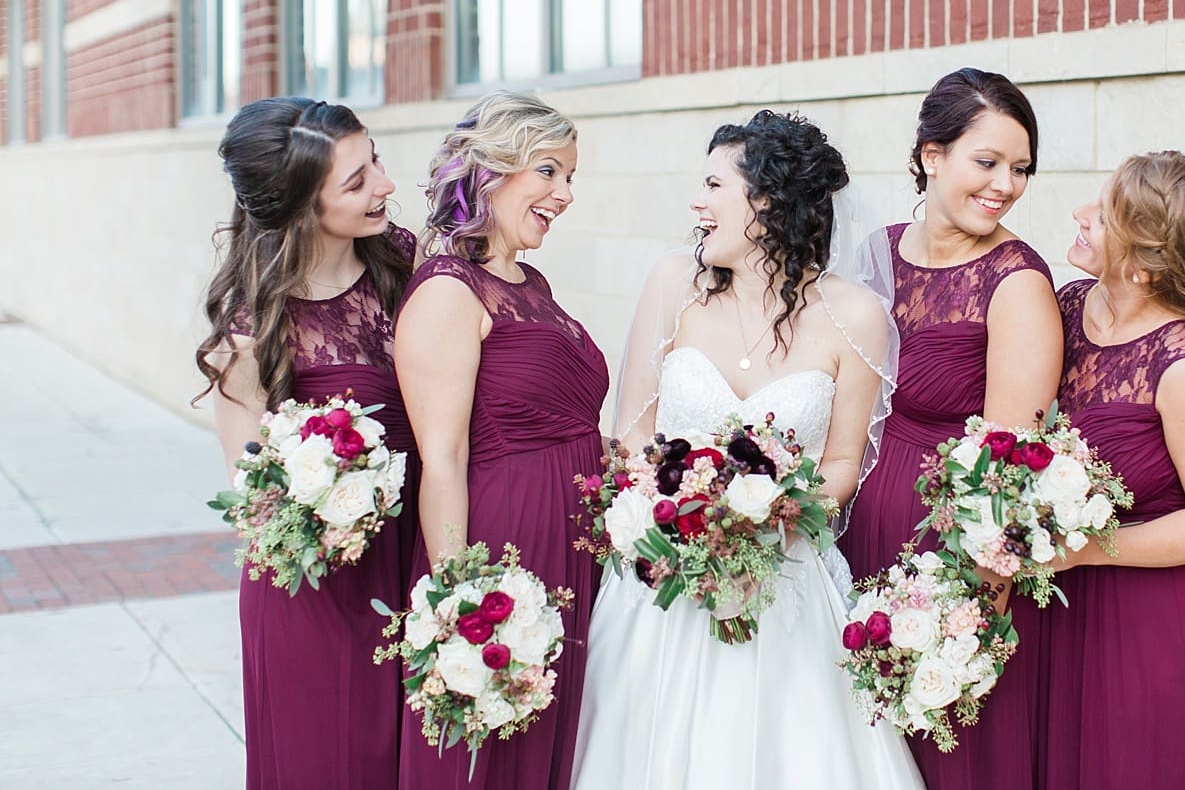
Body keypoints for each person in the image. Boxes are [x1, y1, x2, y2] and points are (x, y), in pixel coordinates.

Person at [572, 110, 924, 790]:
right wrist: (684, 513)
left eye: (712, 185)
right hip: (663, 582)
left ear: (765, 199)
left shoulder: (854, 315)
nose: (695, 204)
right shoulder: (673, 282)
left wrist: (765, 519)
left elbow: (842, 465)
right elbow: (634, 431)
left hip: (784, 582)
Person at [842, 68, 1062, 788]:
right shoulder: (872, 252)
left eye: (1020, 167)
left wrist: (962, 631)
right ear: (931, 154)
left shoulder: (1015, 282)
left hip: (944, 562)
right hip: (847, 542)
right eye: (987, 161)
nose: (1006, 184)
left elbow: (1006, 480)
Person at [194, 96, 418, 790]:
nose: (383, 184)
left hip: (413, 560)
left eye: (374, 159)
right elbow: (255, 507)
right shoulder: (251, 333)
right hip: (317, 596)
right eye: (355, 181)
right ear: (297, 208)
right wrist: (332, 494)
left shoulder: (408, 266)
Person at [393, 91, 606, 789]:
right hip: (507, 544)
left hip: (573, 549)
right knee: (496, 751)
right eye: (548, 171)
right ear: (490, 170)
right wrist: (458, 600)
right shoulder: (449, 291)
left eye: (569, 176)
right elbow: (442, 457)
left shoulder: (529, 281)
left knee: (552, 740)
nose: (564, 194)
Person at [1041, 150, 1185, 789]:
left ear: (1140, 264)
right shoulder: (1069, 307)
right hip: (1070, 610)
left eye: (1103, 217)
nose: (1082, 216)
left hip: (1160, 630)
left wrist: (1082, 550)